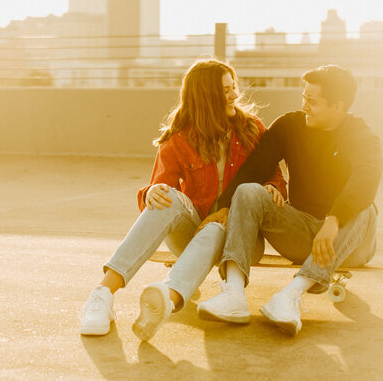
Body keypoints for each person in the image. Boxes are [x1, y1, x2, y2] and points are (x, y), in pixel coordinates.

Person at [79, 59, 285, 340]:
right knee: (169, 198)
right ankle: (102, 294)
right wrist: (151, 192)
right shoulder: (178, 139)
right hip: (192, 233)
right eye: (226, 90)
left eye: (233, 87)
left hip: (241, 241)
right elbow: (159, 191)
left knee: (218, 226)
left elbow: (276, 178)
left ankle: (168, 296)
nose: (234, 95)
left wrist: (272, 188)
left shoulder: (252, 129)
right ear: (206, 97)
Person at [197, 65, 382, 336]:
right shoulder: (290, 125)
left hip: (350, 240)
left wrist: (335, 219)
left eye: (312, 101)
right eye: (303, 97)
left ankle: (290, 296)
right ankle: (233, 295)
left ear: (338, 106)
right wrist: (224, 206)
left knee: (366, 209)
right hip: (303, 230)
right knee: (248, 191)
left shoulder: (360, 135)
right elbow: (254, 168)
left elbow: (366, 180)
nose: (304, 105)